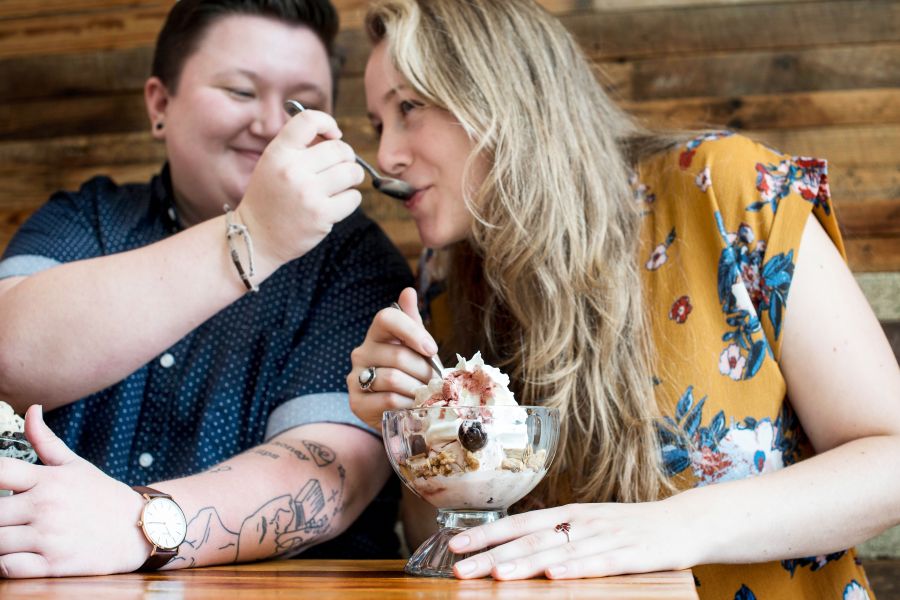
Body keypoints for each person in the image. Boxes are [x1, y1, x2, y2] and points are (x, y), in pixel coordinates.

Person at [347, 0, 900, 597]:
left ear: (502, 94)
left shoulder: (727, 191)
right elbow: (453, 550)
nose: (386, 159)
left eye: (409, 107)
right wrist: (416, 436)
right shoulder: (445, 280)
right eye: (380, 126)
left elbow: (890, 460)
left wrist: (673, 527)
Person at [0, 0, 412, 579]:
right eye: (241, 92)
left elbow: (330, 477)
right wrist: (253, 238)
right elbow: (9, 357)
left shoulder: (354, 260)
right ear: (160, 105)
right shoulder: (85, 219)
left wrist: (140, 526)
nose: (272, 125)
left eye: (303, 105)